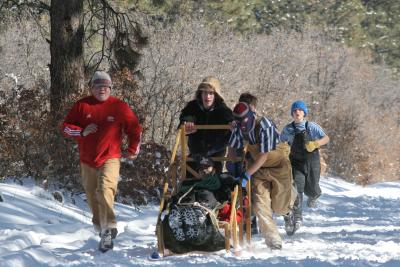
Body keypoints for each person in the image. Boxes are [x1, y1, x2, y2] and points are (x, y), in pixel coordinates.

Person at [61, 71, 142, 252]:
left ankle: (108, 228)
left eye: (106, 86)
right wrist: (81, 131)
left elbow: (135, 128)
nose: (102, 89)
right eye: (98, 86)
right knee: (92, 195)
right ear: (92, 88)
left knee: (105, 189)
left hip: (110, 157)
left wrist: (132, 149)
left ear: (110, 88)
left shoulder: (119, 106)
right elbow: (65, 128)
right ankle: (100, 225)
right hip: (87, 159)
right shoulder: (82, 105)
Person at [228, 101, 297, 249]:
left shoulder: (265, 125)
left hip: (278, 164)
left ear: (251, 116)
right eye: (239, 122)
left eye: (244, 120)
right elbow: (233, 148)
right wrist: (234, 169)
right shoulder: (238, 127)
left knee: (279, 207)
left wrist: (246, 175)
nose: (242, 124)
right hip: (258, 169)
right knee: (260, 205)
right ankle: (273, 240)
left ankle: (292, 199)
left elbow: (264, 154)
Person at [281, 100, 330, 233]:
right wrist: (284, 148)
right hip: (296, 162)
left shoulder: (312, 127)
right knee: (298, 188)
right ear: (292, 113)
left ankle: (314, 195)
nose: (297, 112)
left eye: (300, 110)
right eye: (295, 110)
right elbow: (280, 143)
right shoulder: (288, 129)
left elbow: (326, 138)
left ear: (304, 113)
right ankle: (298, 217)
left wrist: (315, 144)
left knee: (312, 187)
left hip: (312, 162)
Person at [179, 76, 234, 174]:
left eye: (211, 93)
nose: (207, 96)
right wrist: (187, 123)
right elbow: (186, 116)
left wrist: (232, 124)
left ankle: (209, 169)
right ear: (200, 93)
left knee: (214, 183)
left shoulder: (223, 110)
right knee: (188, 178)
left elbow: (231, 120)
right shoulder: (192, 106)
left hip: (215, 152)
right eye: (204, 92)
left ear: (216, 95)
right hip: (197, 150)